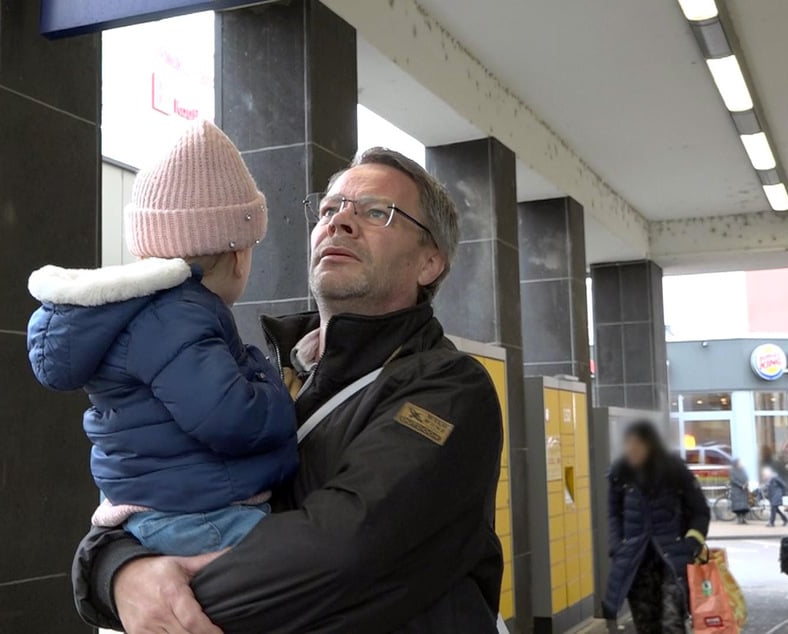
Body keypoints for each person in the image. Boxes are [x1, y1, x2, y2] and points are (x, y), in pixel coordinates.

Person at [71, 147, 504, 633]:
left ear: (429, 263)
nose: (340, 222)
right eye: (329, 209)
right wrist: (118, 571)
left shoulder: (448, 389)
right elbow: (149, 497)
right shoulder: (271, 376)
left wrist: (163, 596)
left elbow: (346, 545)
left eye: (377, 212)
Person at [27, 121, 298, 557]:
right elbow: (231, 418)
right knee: (304, 571)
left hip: (155, 507)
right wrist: (276, 389)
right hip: (200, 517)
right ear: (238, 255)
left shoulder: (134, 313)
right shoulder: (178, 317)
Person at [604, 421, 710, 633]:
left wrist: (692, 543)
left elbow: (700, 511)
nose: (631, 450)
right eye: (628, 444)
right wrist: (617, 545)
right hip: (636, 561)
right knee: (646, 626)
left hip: (672, 560)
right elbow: (613, 514)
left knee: (672, 623)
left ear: (650, 445)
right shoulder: (620, 474)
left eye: (637, 445)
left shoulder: (674, 471)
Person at [729, 458, 750, 525]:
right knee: (737, 507)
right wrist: (741, 485)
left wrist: (746, 484)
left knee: (744, 506)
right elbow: (733, 480)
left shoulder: (743, 470)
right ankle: (739, 518)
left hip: (744, 491)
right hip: (737, 491)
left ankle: (744, 518)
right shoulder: (733, 471)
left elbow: (747, 478)